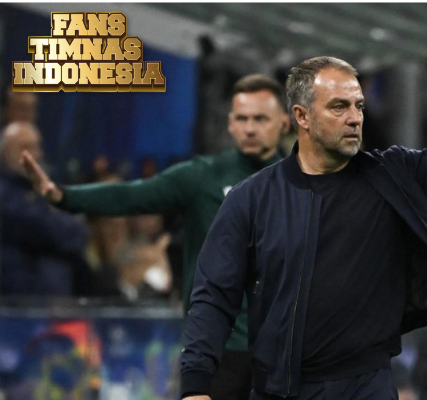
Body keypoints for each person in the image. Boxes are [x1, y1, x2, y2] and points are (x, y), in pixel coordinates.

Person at [181, 7, 427, 400]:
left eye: (358, 106)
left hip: (366, 385)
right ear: (302, 116)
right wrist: (196, 385)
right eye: (339, 107)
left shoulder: (393, 176)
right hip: (281, 389)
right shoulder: (252, 198)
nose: (354, 117)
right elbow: (213, 295)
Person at [21, 74, 289, 400]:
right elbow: (130, 195)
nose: (250, 128)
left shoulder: (301, 183)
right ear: (230, 123)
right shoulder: (202, 176)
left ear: (285, 122)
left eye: (260, 119)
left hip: (283, 350)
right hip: (217, 349)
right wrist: (64, 196)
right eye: (242, 119)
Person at [0, 122, 90, 296]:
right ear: (4, 153)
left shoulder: (47, 187)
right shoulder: (4, 192)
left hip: (56, 299)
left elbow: (80, 232)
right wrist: (56, 220)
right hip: (13, 300)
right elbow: (35, 226)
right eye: (24, 147)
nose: (33, 155)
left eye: (36, 147)